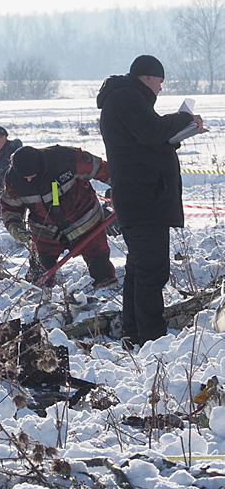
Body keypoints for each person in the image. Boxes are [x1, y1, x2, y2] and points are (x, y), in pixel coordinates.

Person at [97, 54, 203, 346]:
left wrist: (181, 132)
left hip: (140, 198)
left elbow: (145, 141)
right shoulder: (127, 98)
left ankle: (133, 332)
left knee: (139, 269)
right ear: (148, 76)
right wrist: (184, 119)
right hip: (143, 199)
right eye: (160, 82)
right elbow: (151, 131)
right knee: (152, 271)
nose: (160, 89)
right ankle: (151, 337)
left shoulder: (123, 99)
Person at [2, 145, 116, 288]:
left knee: (101, 269)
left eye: (32, 175)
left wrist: (125, 188)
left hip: (87, 223)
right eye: (25, 177)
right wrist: (14, 226)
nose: (29, 180)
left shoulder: (68, 157)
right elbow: (10, 208)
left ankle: (106, 298)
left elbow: (105, 170)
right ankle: (38, 305)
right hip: (45, 232)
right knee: (38, 278)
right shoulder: (14, 180)